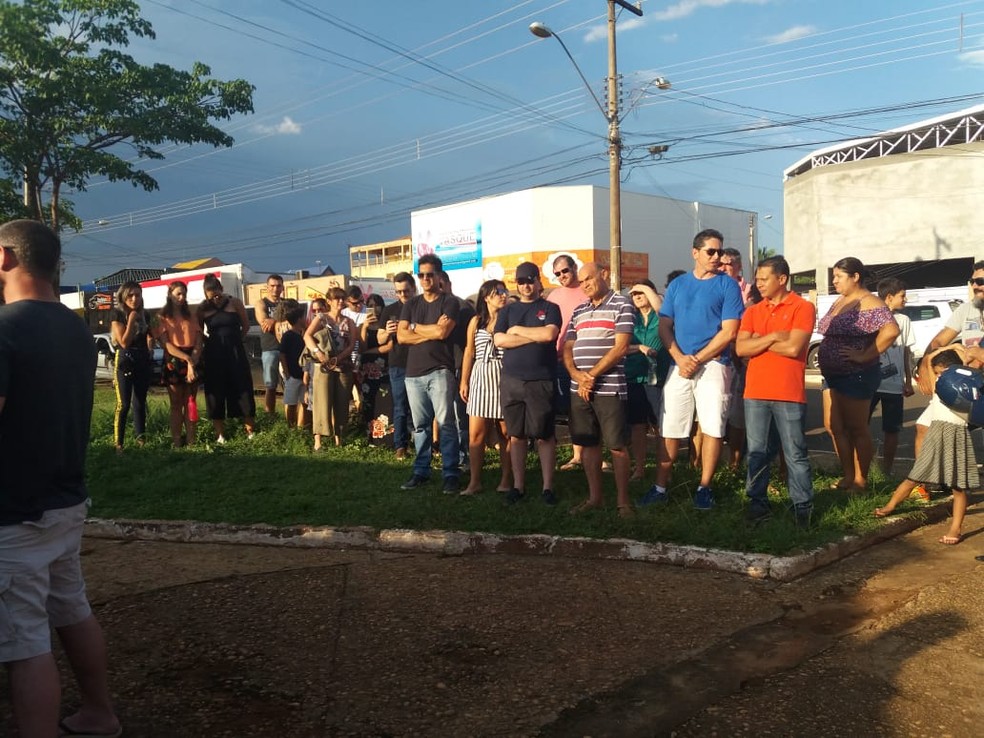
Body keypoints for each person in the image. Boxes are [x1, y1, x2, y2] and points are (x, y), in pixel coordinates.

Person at [0, 219, 122, 738]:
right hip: (65, 500)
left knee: (24, 639)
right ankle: (99, 712)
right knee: (72, 606)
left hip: (13, 510)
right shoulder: (76, 329)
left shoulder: (4, 328)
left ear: (5, 258)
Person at [645, 229, 745, 510]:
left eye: (720, 252)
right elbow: (665, 326)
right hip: (680, 363)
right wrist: (678, 356)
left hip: (714, 364)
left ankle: (705, 487)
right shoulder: (678, 286)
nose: (717, 257)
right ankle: (660, 486)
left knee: (713, 425)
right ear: (695, 253)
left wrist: (697, 359)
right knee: (670, 425)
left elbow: (729, 331)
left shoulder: (728, 286)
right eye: (711, 251)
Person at [734, 256, 817, 526]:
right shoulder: (753, 311)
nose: (758, 284)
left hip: (788, 393)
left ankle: (802, 508)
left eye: (763, 279)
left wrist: (758, 342)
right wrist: (772, 337)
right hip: (755, 392)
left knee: (794, 452)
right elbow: (740, 349)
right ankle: (757, 505)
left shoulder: (802, 308)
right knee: (757, 452)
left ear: (782, 279)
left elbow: (794, 348)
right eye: (757, 279)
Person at [875, 349, 977, 545]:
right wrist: (940, 353)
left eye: (941, 372)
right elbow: (930, 361)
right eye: (937, 373)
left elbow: (962, 366)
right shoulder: (940, 384)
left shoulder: (965, 384)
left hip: (957, 435)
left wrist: (959, 356)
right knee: (915, 475)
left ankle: (955, 529)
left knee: (958, 487)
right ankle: (890, 506)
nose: (939, 376)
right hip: (938, 432)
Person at [817, 257, 899, 491]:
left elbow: (891, 330)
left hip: (856, 374)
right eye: (833, 276)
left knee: (856, 427)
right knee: (833, 426)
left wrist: (865, 355)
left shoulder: (869, 301)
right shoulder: (841, 301)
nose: (834, 281)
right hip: (832, 374)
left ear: (855, 277)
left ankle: (860, 479)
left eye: (838, 277)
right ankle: (847, 475)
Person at [563, 262, 635, 516]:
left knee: (616, 445)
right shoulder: (579, 309)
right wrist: (576, 375)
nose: (584, 285)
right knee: (588, 443)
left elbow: (621, 347)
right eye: (581, 281)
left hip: (608, 387)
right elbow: (568, 347)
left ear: (603, 275)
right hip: (579, 388)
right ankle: (595, 498)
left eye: (588, 279)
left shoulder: (622, 304)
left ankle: (623, 501)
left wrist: (591, 375)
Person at [494, 261, 562, 505]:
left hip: (540, 380)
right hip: (512, 380)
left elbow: (549, 335)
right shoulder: (507, 311)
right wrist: (529, 337)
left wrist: (517, 331)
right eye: (521, 282)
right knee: (516, 435)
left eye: (529, 280)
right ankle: (518, 486)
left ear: (538, 281)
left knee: (544, 435)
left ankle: (547, 487)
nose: (525, 286)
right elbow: (500, 340)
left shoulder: (550, 308)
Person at [397, 254, 461, 492]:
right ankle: (420, 471)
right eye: (421, 275)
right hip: (413, 374)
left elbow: (443, 333)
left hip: (440, 371)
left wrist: (414, 327)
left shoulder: (449, 302)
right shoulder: (411, 304)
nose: (424, 279)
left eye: (429, 275)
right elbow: (401, 336)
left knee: (445, 424)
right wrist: (428, 329)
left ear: (438, 276)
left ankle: (451, 473)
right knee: (421, 426)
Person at [459, 280, 512, 495]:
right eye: (497, 292)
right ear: (486, 297)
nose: (502, 295)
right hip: (480, 376)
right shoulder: (476, 321)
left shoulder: (509, 319)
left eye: (503, 291)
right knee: (476, 435)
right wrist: (464, 380)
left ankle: (507, 479)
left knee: (505, 434)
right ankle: (475, 481)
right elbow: (469, 352)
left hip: (503, 376)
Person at [198, 274, 256, 444]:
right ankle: (220, 434)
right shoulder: (203, 308)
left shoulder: (235, 302)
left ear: (221, 289)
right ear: (206, 294)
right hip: (214, 354)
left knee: (242, 387)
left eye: (217, 293)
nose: (215, 297)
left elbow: (245, 325)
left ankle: (250, 430)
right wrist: (210, 342)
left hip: (235, 352)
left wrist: (236, 339)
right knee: (216, 390)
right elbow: (198, 331)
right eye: (210, 295)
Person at [546, 253, 588, 471]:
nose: (562, 276)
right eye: (557, 274)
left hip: (587, 359)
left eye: (565, 270)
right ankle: (577, 454)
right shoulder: (553, 296)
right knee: (572, 409)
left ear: (574, 267)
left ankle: (597, 454)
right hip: (560, 360)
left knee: (590, 408)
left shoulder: (587, 289)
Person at [869, 278, 915, 476]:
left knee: (892, 430)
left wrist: (907, 380)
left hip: (894, 386)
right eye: (902, 296)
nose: (905, 299)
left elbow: (905, 352)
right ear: (889, 297)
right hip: (870, 383)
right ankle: (864, 467)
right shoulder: (869, 318)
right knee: (860, 426)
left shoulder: (904, 320)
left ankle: (886, 470)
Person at [624, 280, 667, 484]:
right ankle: (639, 469)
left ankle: (664, 469)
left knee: (661, 426)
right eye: (634, 294)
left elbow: (661, 309)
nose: (637, 296)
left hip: (658, 379)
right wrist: (639, 348)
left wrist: (647, 289)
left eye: (641, 292)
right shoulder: (631, 320)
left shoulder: (661, 317)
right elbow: (621, 347)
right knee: (637, 426)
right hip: (635, 377)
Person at [305, 287, 358, 450]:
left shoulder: (349, 321)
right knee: (321, 401)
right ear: (329, 301)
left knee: (342, 403)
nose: (340, 301)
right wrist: (319, 354)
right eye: (336, 298)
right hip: (323, 366)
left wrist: (339, 358)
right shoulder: (321, 318)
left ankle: (339, 439)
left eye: (343, 298)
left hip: (343, 366)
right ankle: (318, 442)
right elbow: (307, 336)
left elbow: (352, 344)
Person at [109, 280, 154, 454]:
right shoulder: (117, 314)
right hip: (125, 359)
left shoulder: (145, 314)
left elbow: (151, 334)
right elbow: (124, 342)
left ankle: (141, 439)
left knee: (140, 402)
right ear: (123, 296)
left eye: (138, 295)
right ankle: (118, 444)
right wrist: (131, 321)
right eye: (131, 295)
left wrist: (151, 344)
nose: (135, 299)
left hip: (142, 357)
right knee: (124, 403)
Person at [157, 280, 203, 448]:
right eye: (178, 294)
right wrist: (187, 359)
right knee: (176, 404)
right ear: (170, 295)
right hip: (174, 359)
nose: (182, 297)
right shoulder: (162, 317)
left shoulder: (191, 315)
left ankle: (191, 440)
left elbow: (199, 341)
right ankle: (176, 441)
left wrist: (193, 361)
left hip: (193, 357)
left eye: (184, 294)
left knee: (190, 400)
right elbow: (165, 344)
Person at [439, 270, 476, 468]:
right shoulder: (438, 307)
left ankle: (466, 457)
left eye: (441, 285)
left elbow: (470, 344)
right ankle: (453, 457)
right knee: (447, 417)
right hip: (443, 367)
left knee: (461, 416)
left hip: (460, 367)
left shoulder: (463, 307)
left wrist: (465, 374)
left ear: (448, 284)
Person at [377, 272, 416, 459]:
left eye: (406, 291)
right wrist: (387, 332)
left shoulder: (421, 306)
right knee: (400, 406)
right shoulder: (389, 310)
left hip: (420, 362)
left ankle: (423, 443)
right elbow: (379, 338)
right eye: (398, 292)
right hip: (398, 363)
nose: (402, 295)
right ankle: (400, 445)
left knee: (420, 407)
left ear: (413, 288)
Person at [359, 293, 392, 436]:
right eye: (370, 306)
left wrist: (368, 351)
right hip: (367, 370)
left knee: (386, 401)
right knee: (369, 402)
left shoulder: (387, 324)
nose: (374, 309)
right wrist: (365, 327)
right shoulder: (362, 325)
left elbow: (389, 346)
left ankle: (386, 437)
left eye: (377, 305)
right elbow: (361, 347)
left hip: (384, 367)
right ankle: (371, 436)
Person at [253, 273, 284, 415]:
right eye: (272, 286)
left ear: (282, 287)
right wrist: (278, 322)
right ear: (267, 287)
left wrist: (273, 321)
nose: (275, 289)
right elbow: (264, 323)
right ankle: (269, 416)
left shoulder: (287, 303)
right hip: (270, 348)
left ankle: (291, 418)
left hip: (286, 348)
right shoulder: (261, 303)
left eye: (278, 286)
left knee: (290, 385)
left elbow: (294, 322)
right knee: (270, 386)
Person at [277, 299, 308, 429]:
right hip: (293, 375)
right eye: (303, 317)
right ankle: (290, 427)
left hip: (303, 375)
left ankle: (301, 427)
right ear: (299, 319)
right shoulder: (288, 335)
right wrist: (287, 373)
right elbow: (282, 354)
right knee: (291, 402)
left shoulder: (304, 335)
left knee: (304, 402)